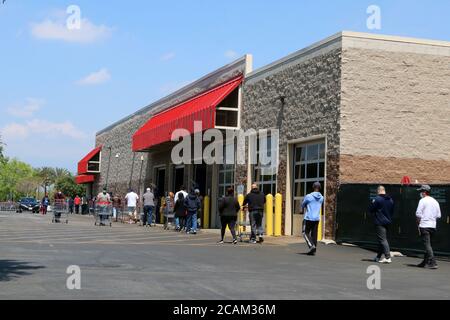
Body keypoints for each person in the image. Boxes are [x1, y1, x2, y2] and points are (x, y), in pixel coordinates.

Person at [415, 185, 442, 269]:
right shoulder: (435, 201)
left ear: (424, 192)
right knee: (429, 245)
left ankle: (433, 262)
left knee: (427, 245)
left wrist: (420, 221)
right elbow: (439, 215)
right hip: (433, 226)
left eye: (421, 191)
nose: (420, 193)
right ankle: (424, 262)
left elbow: (418, 213)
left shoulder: (422, 200)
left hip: (424, 225)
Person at [368, 186, 394, 264]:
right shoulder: (390, 200)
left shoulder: (377, 199)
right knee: (381, 240)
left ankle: (387, 257)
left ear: (378, 191)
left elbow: (371, 209)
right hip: (388, 221)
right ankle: (378, 257)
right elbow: (392, 210)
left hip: (380, 222)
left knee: (383, 240)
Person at [301, 182, 324, 256]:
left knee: (305, 232)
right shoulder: (321, 197)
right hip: (316, 218)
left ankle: (311, 246)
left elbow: (303, 204)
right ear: (319, 188)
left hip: (308, 218)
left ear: (313, 187)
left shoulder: (309, 196)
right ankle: (313, 249)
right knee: (314, 234)